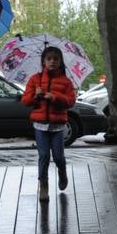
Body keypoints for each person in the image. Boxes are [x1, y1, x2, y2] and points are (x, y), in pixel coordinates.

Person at [20, 45, 77, 202]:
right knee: (44, 156)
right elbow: (25, 100)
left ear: (60, 62)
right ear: (43, 61)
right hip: (40, 126)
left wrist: (55, 97)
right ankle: (43, 185)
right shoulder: (35, 79)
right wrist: (36, 97)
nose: (52, 62)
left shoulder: (66, 82)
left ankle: (62, 173)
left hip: (58, 127)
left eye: (56, 59)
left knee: (59, 156)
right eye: (49, 59)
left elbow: (71, 101)